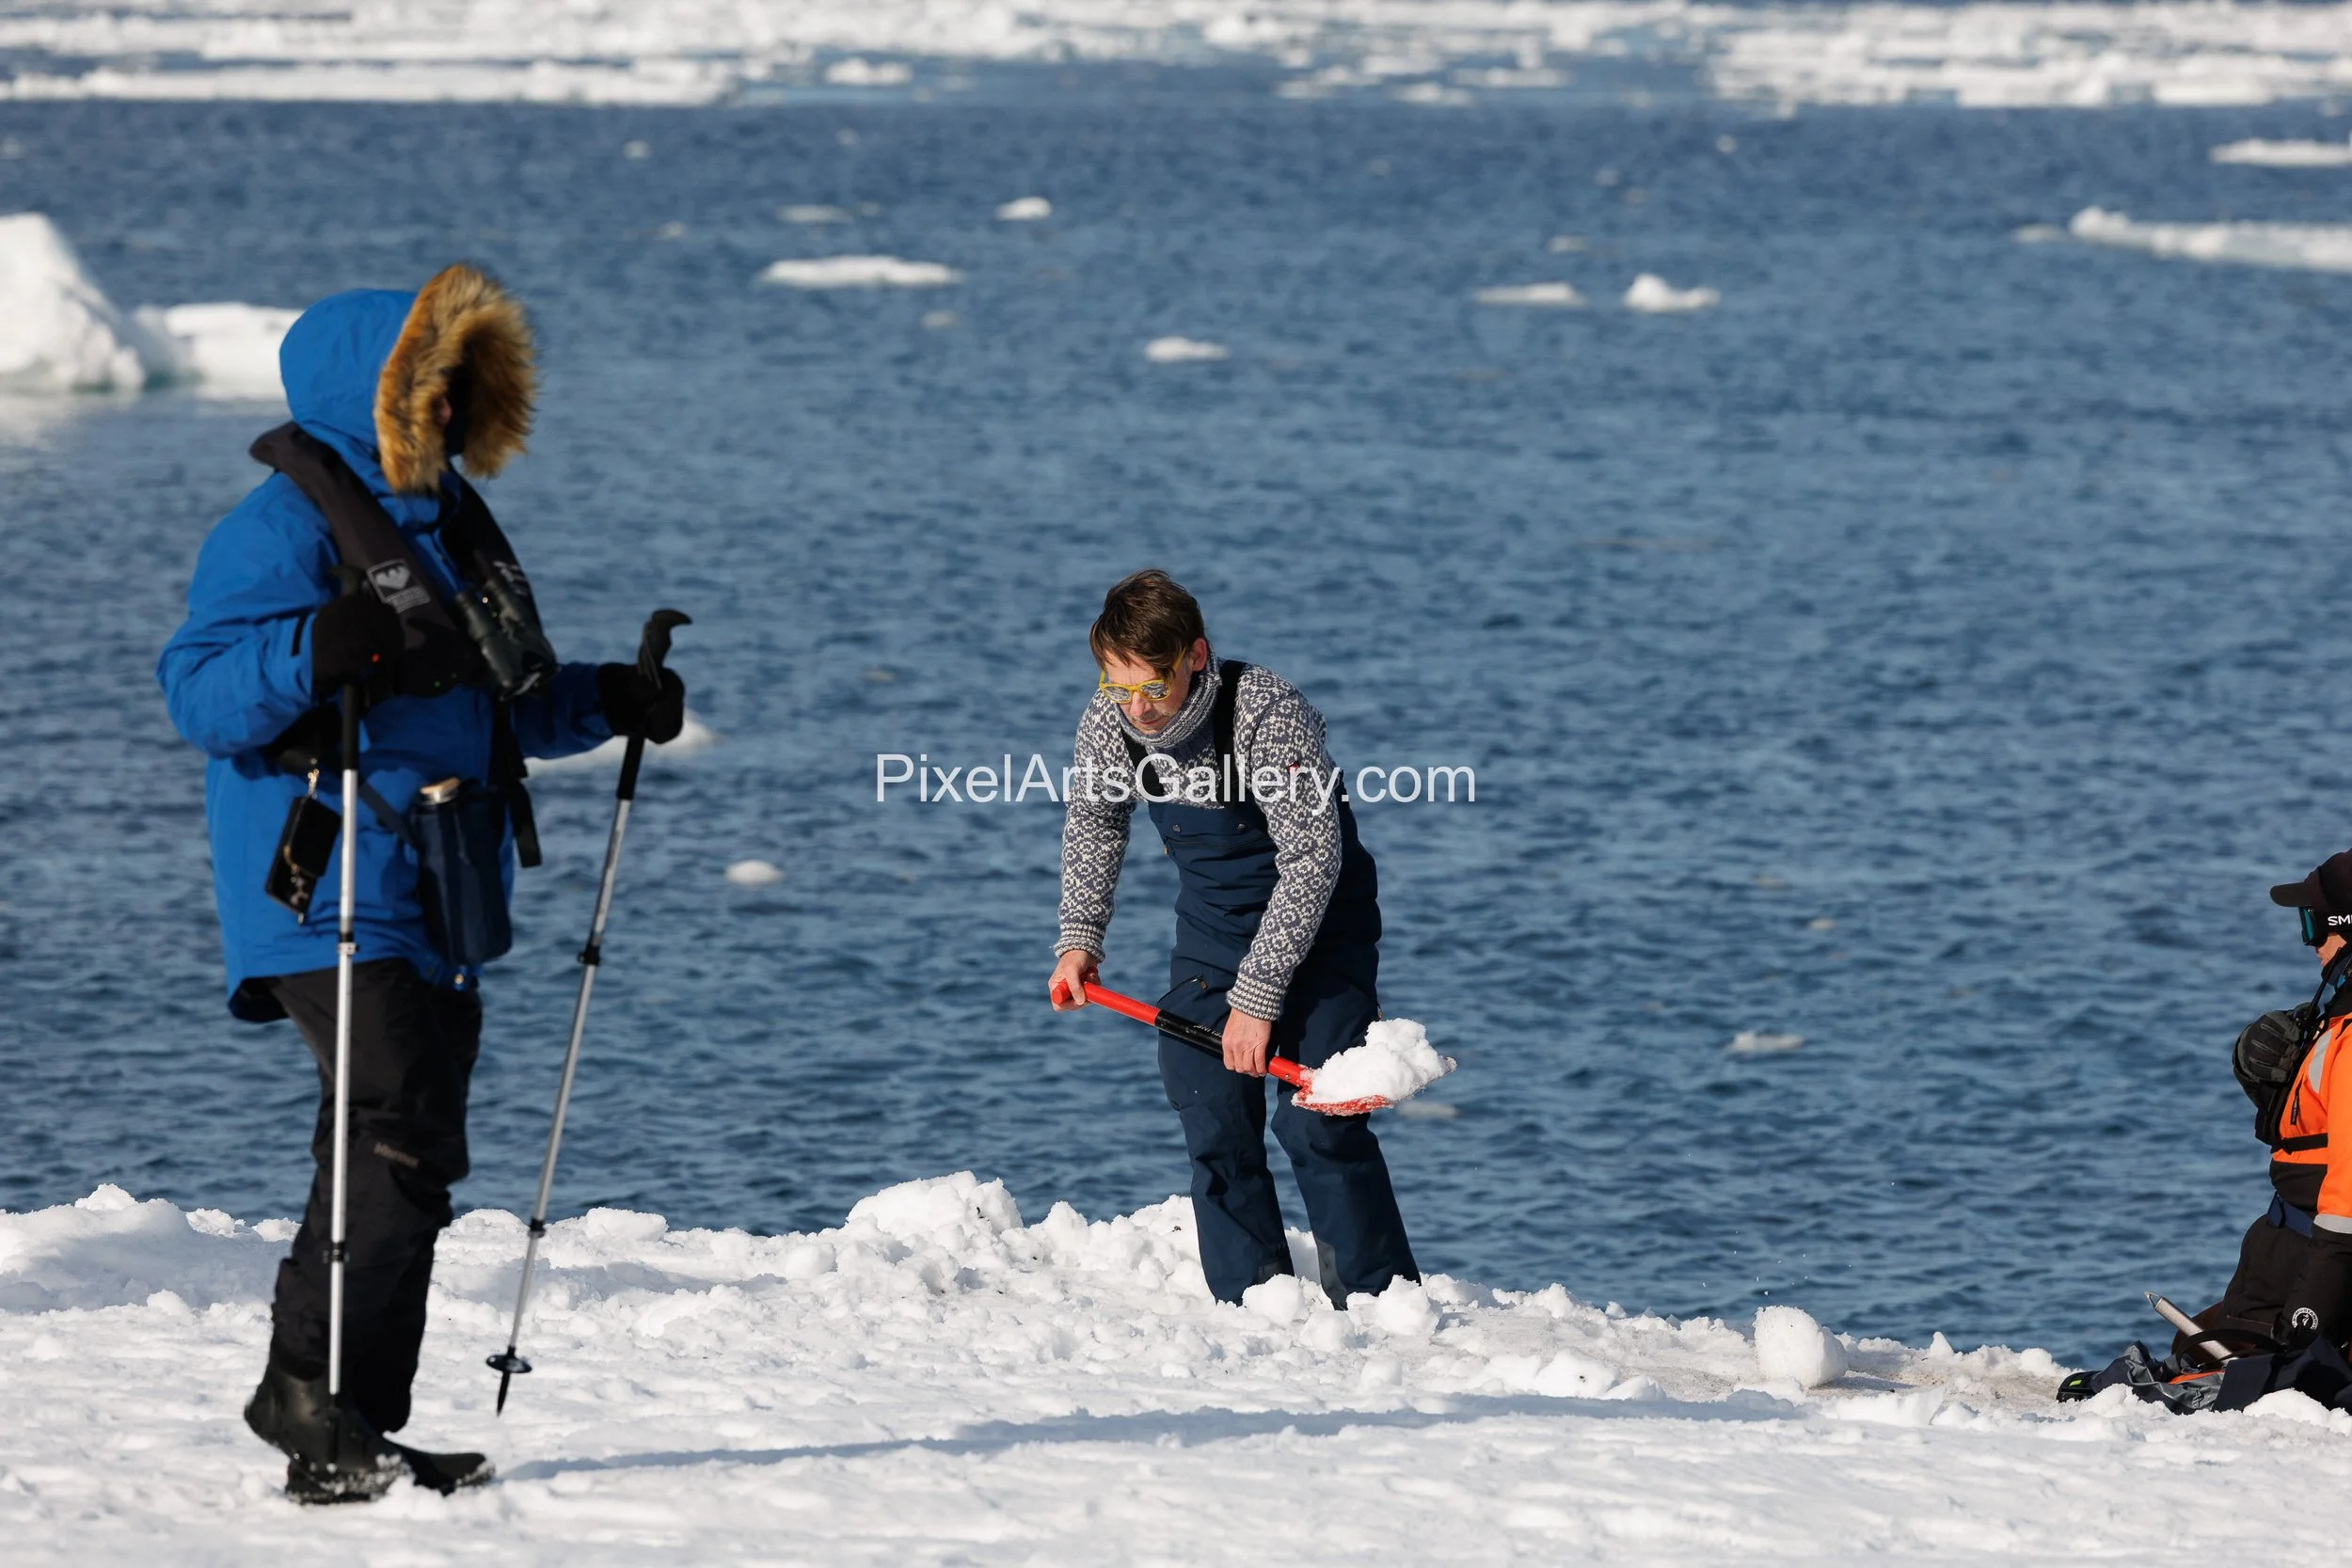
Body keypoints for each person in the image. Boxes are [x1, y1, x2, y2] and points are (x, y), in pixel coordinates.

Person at [156, 265, 686, 1501]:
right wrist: (313, 647)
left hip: (437, 876)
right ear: (380, 390)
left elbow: (499, 699)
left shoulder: (445, 527)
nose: (450, 404)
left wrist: (608, 697)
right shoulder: (280, 530)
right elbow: (198, 689)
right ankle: (305, 1392)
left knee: (412, 1142)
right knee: (394, 1126)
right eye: (430, 382)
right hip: (324, 873)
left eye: (459, 383)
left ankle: (351, 1416)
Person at [1048, 569, 1417, 1307]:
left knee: (1318, 1121)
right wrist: (1080, 935)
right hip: (1215, 931)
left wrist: (1256, 999)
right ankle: (1257, 1308)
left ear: (1194, 655)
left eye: (1151, 686)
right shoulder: (1110, 719)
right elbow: (1096, 820)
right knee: (1210, 1109)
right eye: (1118, 688)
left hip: (1324, 931)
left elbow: (1313, 859)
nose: (1137, 710)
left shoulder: (1267, 713)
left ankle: (1381, 1307)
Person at [2057, 850, 2352, 1413]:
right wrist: (2282, 1090)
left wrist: (2312, 1309)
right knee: (2201, 1341)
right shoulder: (2336, 1020)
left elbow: (2348, 1199)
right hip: (2286, 1251)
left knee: (2232, 1374)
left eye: (2314, 924)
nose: (2311, 943)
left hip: (2317, 1258)